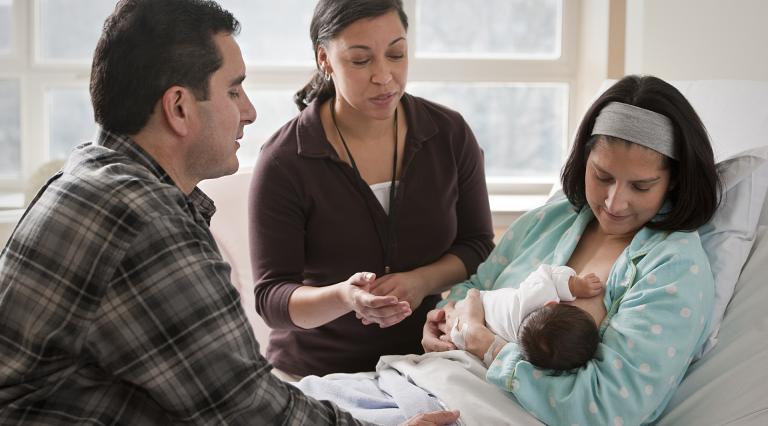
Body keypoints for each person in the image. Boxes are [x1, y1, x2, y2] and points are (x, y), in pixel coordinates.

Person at [0, 1, 458, 424]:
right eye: (234, 90)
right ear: (179, 108)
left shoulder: (93, 175)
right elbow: (244, 407)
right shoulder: (144, 220)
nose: (251, 112)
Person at [422, 74, 721, 425]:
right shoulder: (551, 219)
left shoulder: (673, 268)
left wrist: (484, 343)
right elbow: (473, 289)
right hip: (423, 383)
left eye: (641, 187)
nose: (615, 202)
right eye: (602, 176)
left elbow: (608, 408)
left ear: (673, 183)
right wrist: (441, 318)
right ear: (584, 159)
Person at [249, 0, 494, 378]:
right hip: (313, 374)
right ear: (324, 59)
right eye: (361, 61)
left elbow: (477, 245)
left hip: (426, 365)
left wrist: (420, 281)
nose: (384, 76)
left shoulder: (449, 134)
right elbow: (271, 298)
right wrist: (344, 298)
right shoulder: (285, 159)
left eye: (396, 54)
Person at [448, 265, 603, 370]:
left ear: (550, 304)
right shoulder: (514, 347)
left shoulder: (536, 295)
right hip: (467, 321)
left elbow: (546, 272)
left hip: (470, 305)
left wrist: (574, 285)